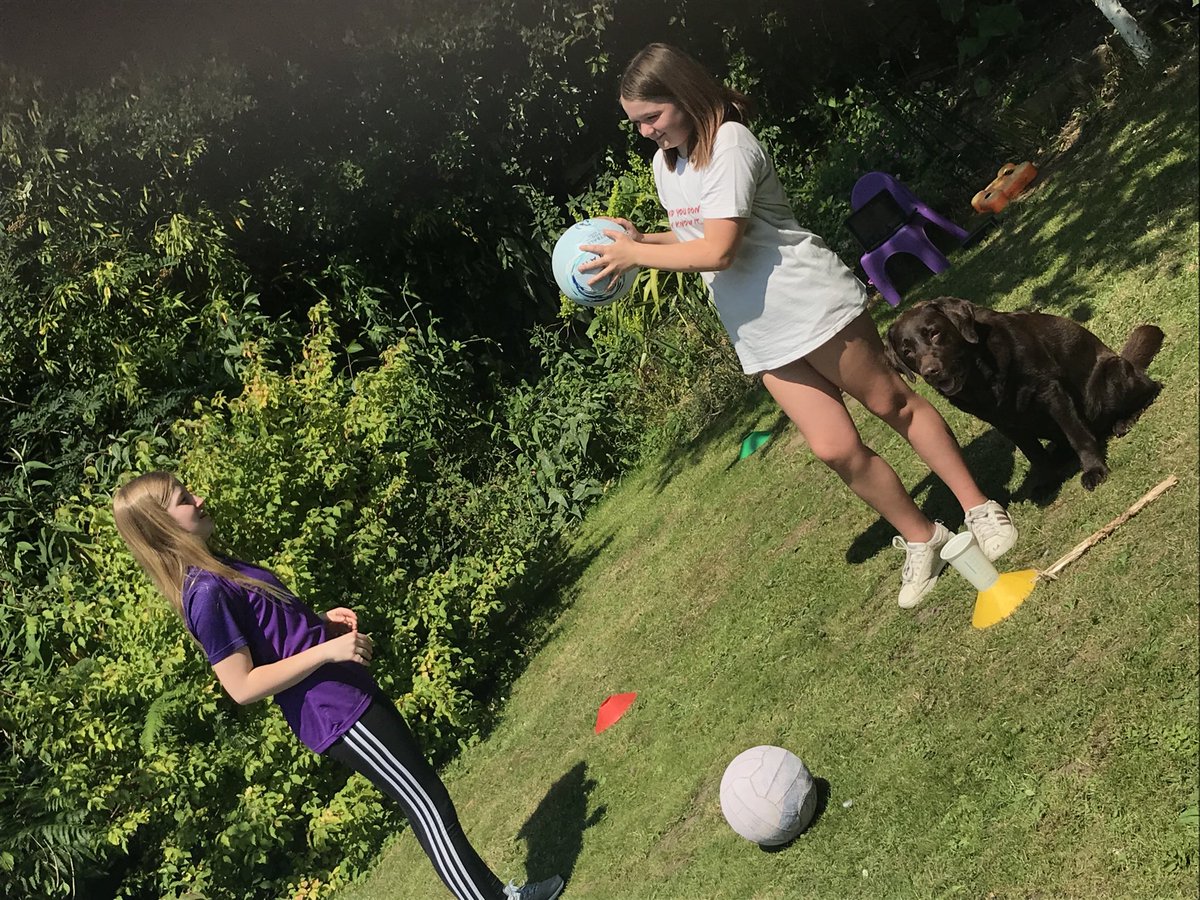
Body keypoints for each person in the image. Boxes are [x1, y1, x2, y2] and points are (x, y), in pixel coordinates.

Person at [580, 42, 1017, 608]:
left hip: (810, 302)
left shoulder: (730, 144)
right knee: (834, 449)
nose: (643, 132)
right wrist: (641, 241)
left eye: (651, 117)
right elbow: (694, 238)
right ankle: (923, 537)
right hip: (757, 330)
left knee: (893, 404)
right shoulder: (668, 165)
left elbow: (718, 251)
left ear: (684, 96)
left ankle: (978, 507)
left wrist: (636, 258)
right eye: (635, 122)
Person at [112, 471, 564, 900]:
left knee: (428, 797)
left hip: (346, 691)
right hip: (334, 711)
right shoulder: (206, 593)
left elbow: (275, 640)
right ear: (160, 524)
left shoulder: (219, 569)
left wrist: (318, 624)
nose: (199, 499)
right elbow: (242, 685)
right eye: (185, 499)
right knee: (427, 805)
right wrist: (326, 652)